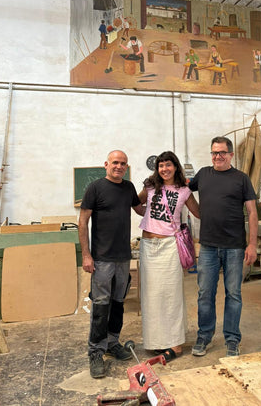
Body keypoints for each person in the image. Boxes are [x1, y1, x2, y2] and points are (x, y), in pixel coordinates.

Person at [189, 136, 258, 358]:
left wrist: (252, 244)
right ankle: (204, 336)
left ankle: (232, 338)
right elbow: (182, 190)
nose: (217, 156)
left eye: (222, 152)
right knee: (205, 294)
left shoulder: (241, 179)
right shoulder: (203, 174)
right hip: (208, 246)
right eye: (214, 152)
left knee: (233, 294)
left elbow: (252, 212)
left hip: (234, 247)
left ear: (230, 155)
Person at [78, 150, 145, 379]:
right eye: (115, 162)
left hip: (123, 257)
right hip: (102, 258)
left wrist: (159, 198)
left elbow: (140, 209)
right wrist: (86, 255)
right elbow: (82, 222)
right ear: (106, 164)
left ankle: (112, 343)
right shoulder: (95, 188)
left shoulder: (128, 187)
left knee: (118, 302)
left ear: (126, 166)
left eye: (123, 163)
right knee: (100, 305)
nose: (119, 166)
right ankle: (96, 352)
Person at [138, 151, 199, 361]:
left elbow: (198, 212)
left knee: (172, 296)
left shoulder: (184, 190)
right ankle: (156, 342)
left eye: (168, 165)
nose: (164, 169)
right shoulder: (150, 186)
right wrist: (147, 213)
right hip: (148, 246)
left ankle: (175, 344)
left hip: (170, 246)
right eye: (161, 165)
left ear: (175, 167)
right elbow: (136, 204)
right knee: (151, 296)